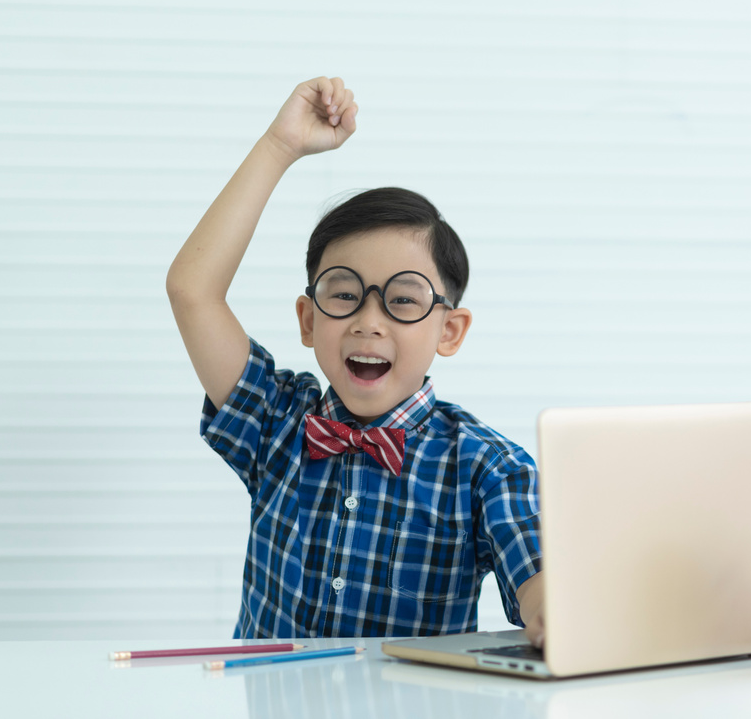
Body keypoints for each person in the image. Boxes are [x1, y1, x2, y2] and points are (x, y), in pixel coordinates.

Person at [166, 75, 545, 644]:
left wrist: (557, 607)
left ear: (450, 329)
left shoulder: (488, 467)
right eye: (344, 294)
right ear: (308, 320)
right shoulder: (276, 421)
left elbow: (545, 586)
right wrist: (280, 146)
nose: (370, 321)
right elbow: (192, 289)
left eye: (403, 300)